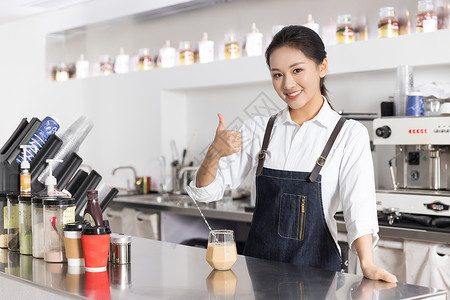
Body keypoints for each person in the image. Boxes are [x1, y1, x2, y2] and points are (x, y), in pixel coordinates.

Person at [186, 25, 397, 283]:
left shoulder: (349, 134)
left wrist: (367, 264)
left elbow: (359, 209)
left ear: (322, 68)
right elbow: (206, 193)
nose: (287, 84)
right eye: (277, 74)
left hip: (319, 276)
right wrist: (213, 153)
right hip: (258, 275)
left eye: (297, 70)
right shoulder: (259, 128)